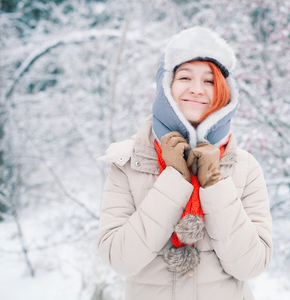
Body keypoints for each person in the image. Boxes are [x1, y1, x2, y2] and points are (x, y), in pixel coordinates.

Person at [97, 27, 273, 300]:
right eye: (185, 77)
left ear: (224, 92)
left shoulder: (245, 167)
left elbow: (250, 265)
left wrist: (214, 184)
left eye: (209, 81)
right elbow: (120, 260)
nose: (196, 89)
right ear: (166, 85)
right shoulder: (128, 162)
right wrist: (173, 180)